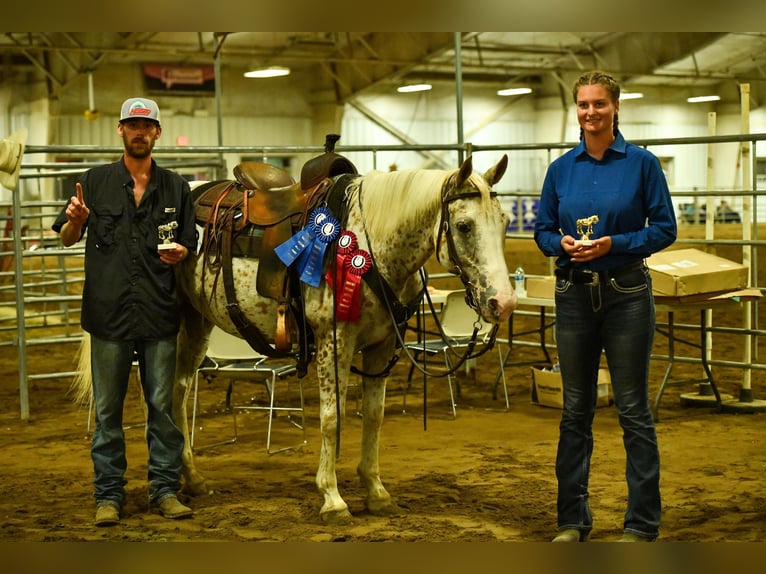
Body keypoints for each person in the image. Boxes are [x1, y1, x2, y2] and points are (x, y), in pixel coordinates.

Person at [533, 71, 677, 542]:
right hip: (573, 293)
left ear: (616, 107)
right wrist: (562, 242)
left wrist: (617, 241)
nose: (590, 112)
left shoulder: (642, 165)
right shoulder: (560, 170)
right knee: (576, 409)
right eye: (582, 104)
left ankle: (641, 524)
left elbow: (664, 229)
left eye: (598, 104)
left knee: (633, 408)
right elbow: (542, 230)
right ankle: (572, 520)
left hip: (627, 293)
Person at [52, 97, 198, 527]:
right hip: (108, 313)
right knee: (108, 410)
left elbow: (188, 241)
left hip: (158, 313)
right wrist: (76, 221)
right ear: (119, 130)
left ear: (157, 132)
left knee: (162, 406)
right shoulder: (92, 184)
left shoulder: (176, 188)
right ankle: (109, 496)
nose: (138, 131)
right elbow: (64, 237)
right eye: (131, 124)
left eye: (145, 125)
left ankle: (165, 490)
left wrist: (181, 252)